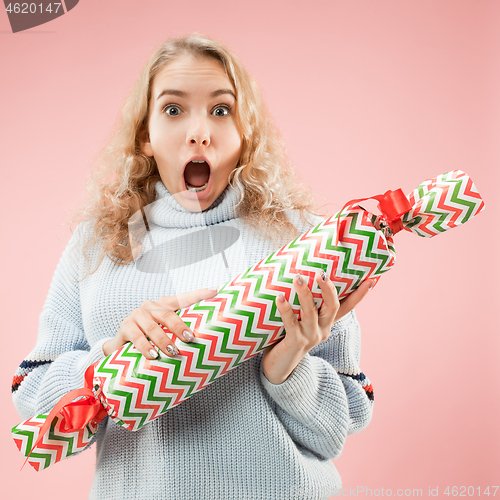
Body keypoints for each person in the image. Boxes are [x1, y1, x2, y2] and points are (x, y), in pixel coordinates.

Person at [12, 33, 375, 500]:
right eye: (173, 109)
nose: (199, 131)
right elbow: (31, 393)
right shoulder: (98, 243)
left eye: (221, 110)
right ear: (145, 135)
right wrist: (110, 357)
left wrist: (288, 365)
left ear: (246, 134)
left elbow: (340, 426)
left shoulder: (302, 238)